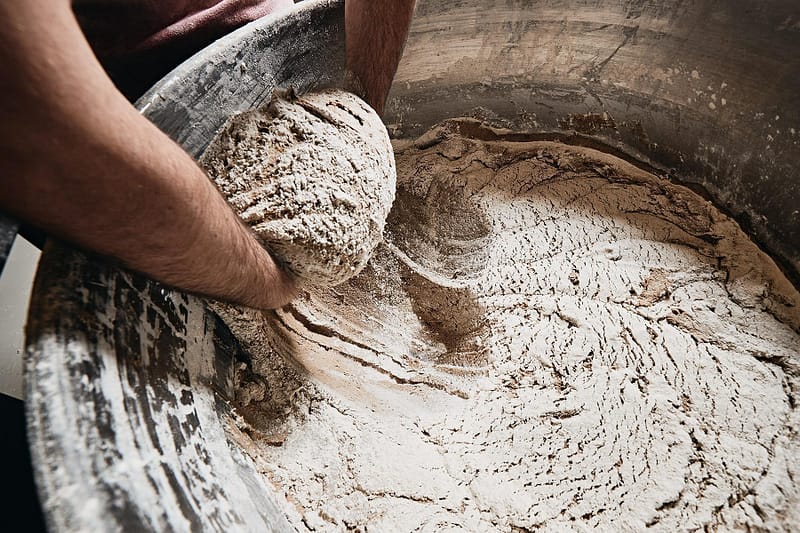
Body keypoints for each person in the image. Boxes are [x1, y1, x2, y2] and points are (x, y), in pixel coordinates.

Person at [0, 0, 416, 310]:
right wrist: (263, 283)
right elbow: (36, 134)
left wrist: (361, 119)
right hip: (118, 137)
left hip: (261, 41)